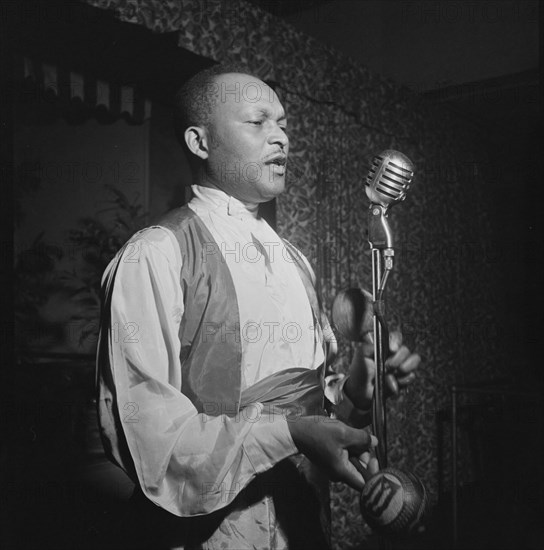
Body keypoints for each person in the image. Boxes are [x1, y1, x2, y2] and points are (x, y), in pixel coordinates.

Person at [96, 63, 420, 550]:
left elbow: (310, 403)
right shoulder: (156, 254)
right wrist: (290, 435)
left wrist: (356, 388)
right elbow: (150, 441)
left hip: (303, 522)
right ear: (199, 142)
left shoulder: (294, 261)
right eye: (258, 122)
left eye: (284, 124)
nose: (281, 138)